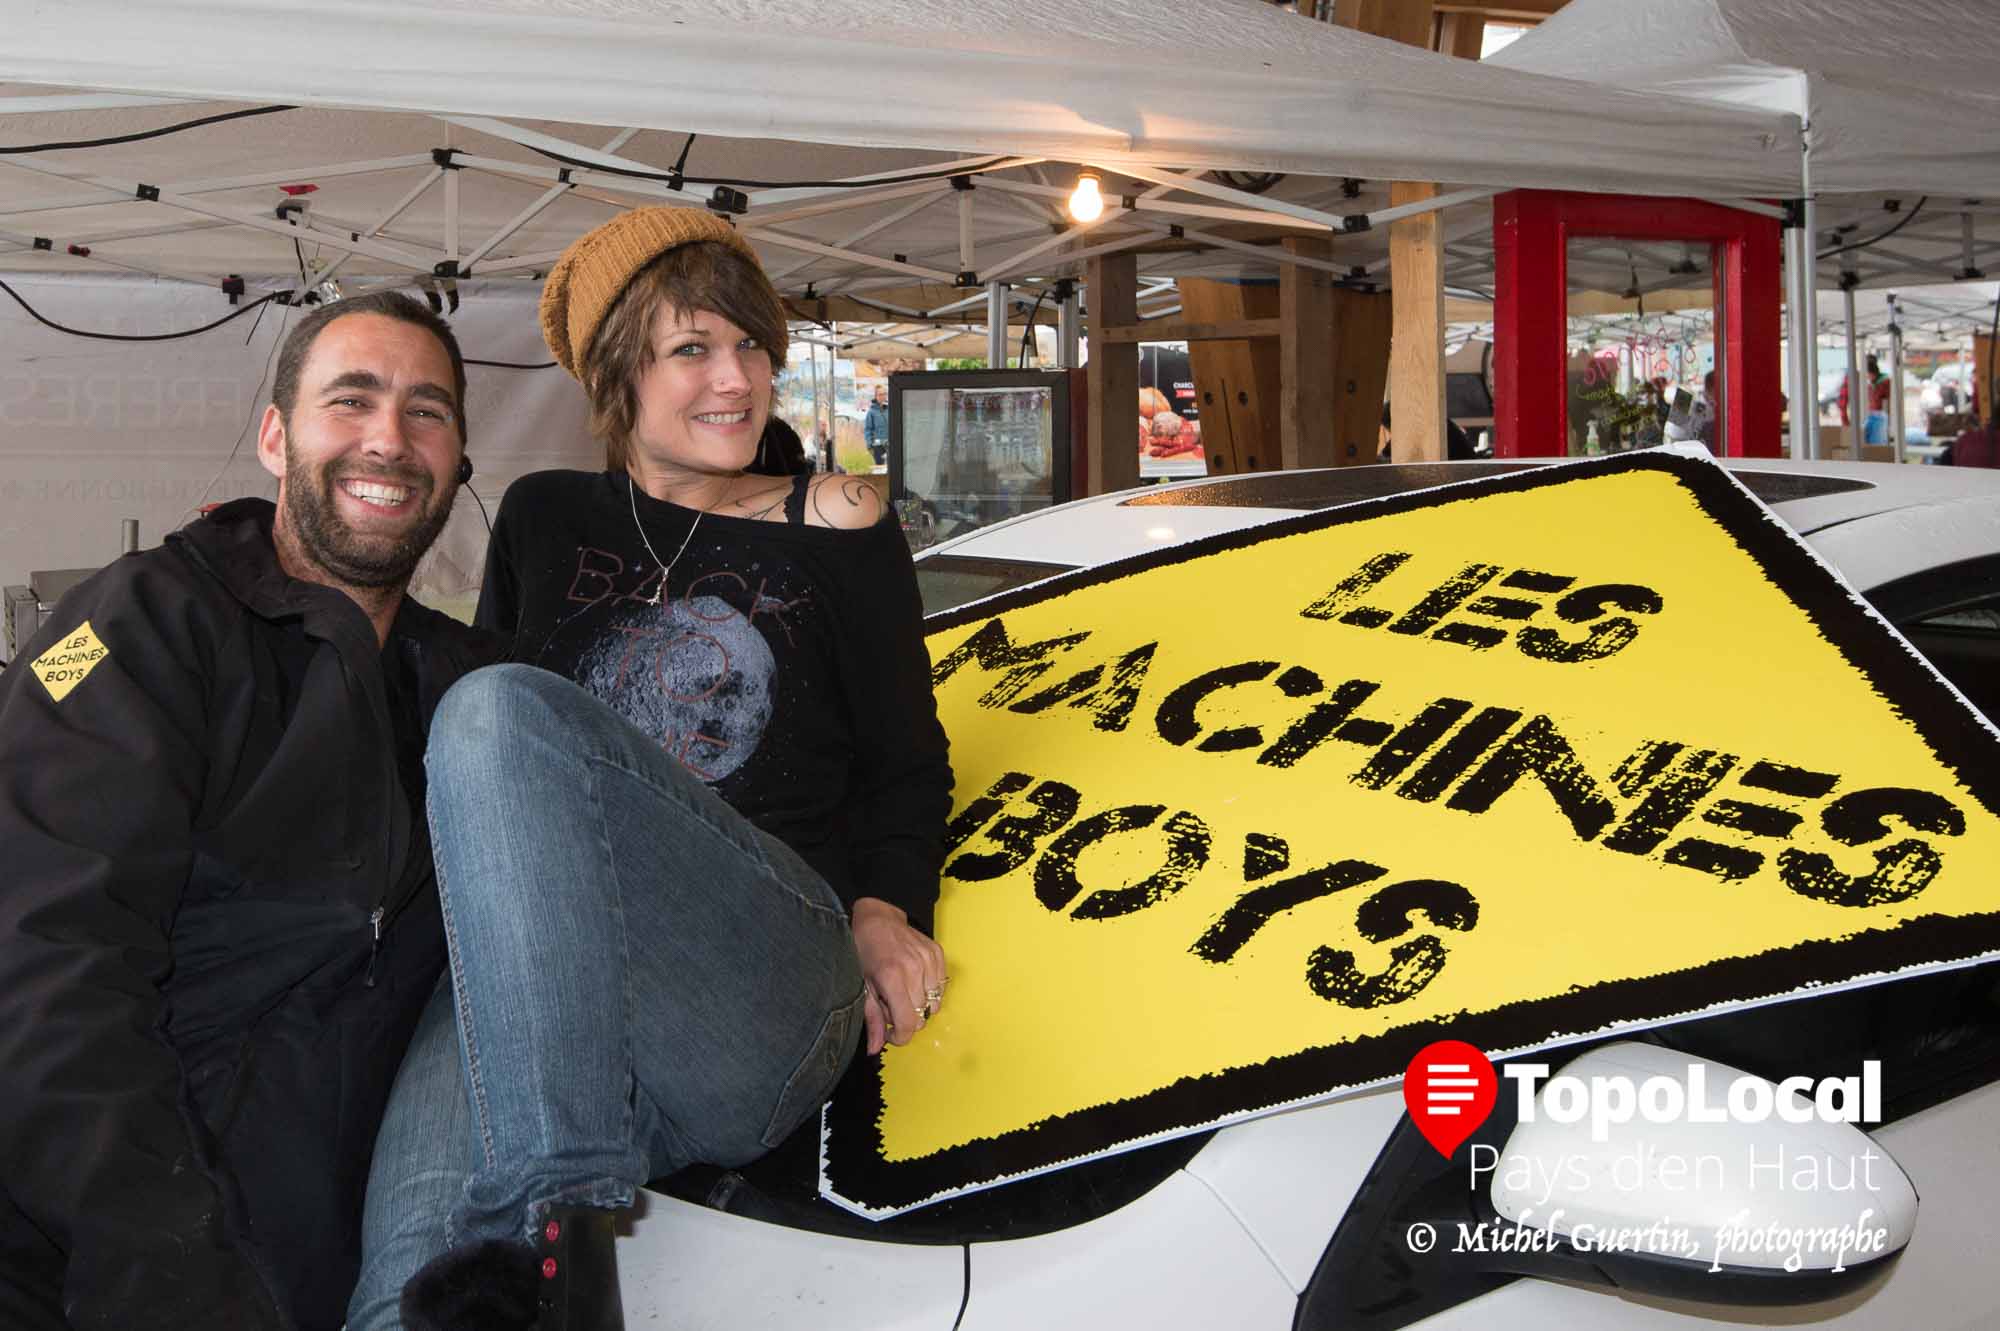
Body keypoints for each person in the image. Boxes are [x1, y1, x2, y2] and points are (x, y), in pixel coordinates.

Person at [351, 207, 953, 1331]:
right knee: (404, 1290)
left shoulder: (834, 516)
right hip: (553, 983)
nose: (735, 378)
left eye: (750, 345)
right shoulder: (542, 517)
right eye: (692, 349)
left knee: (492, 710)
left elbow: (908, 762)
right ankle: (537, 1214)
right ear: (617, 376)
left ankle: (556, 1228)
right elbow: (501, 791)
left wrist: (882, 908)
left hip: (750, 984)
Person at [0, 291, 493, 1331]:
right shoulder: (142, 625)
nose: (388, 440)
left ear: (458, 458)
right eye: (349, 399)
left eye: (427, 411)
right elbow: (46, 964)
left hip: (346, 1267)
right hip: (114, 1271)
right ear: (276, 435)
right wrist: (167, 1272)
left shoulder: (472, 692)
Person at [862, 385, 890, 466]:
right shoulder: (871, 412)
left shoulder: (891, 409)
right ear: (876, 396)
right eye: (880, 394)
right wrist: (869, 445)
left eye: (884, 394)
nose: (883, 396)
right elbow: (868, 429)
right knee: (880, 468)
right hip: (878, 446)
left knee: (892, 469)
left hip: (890, 445)